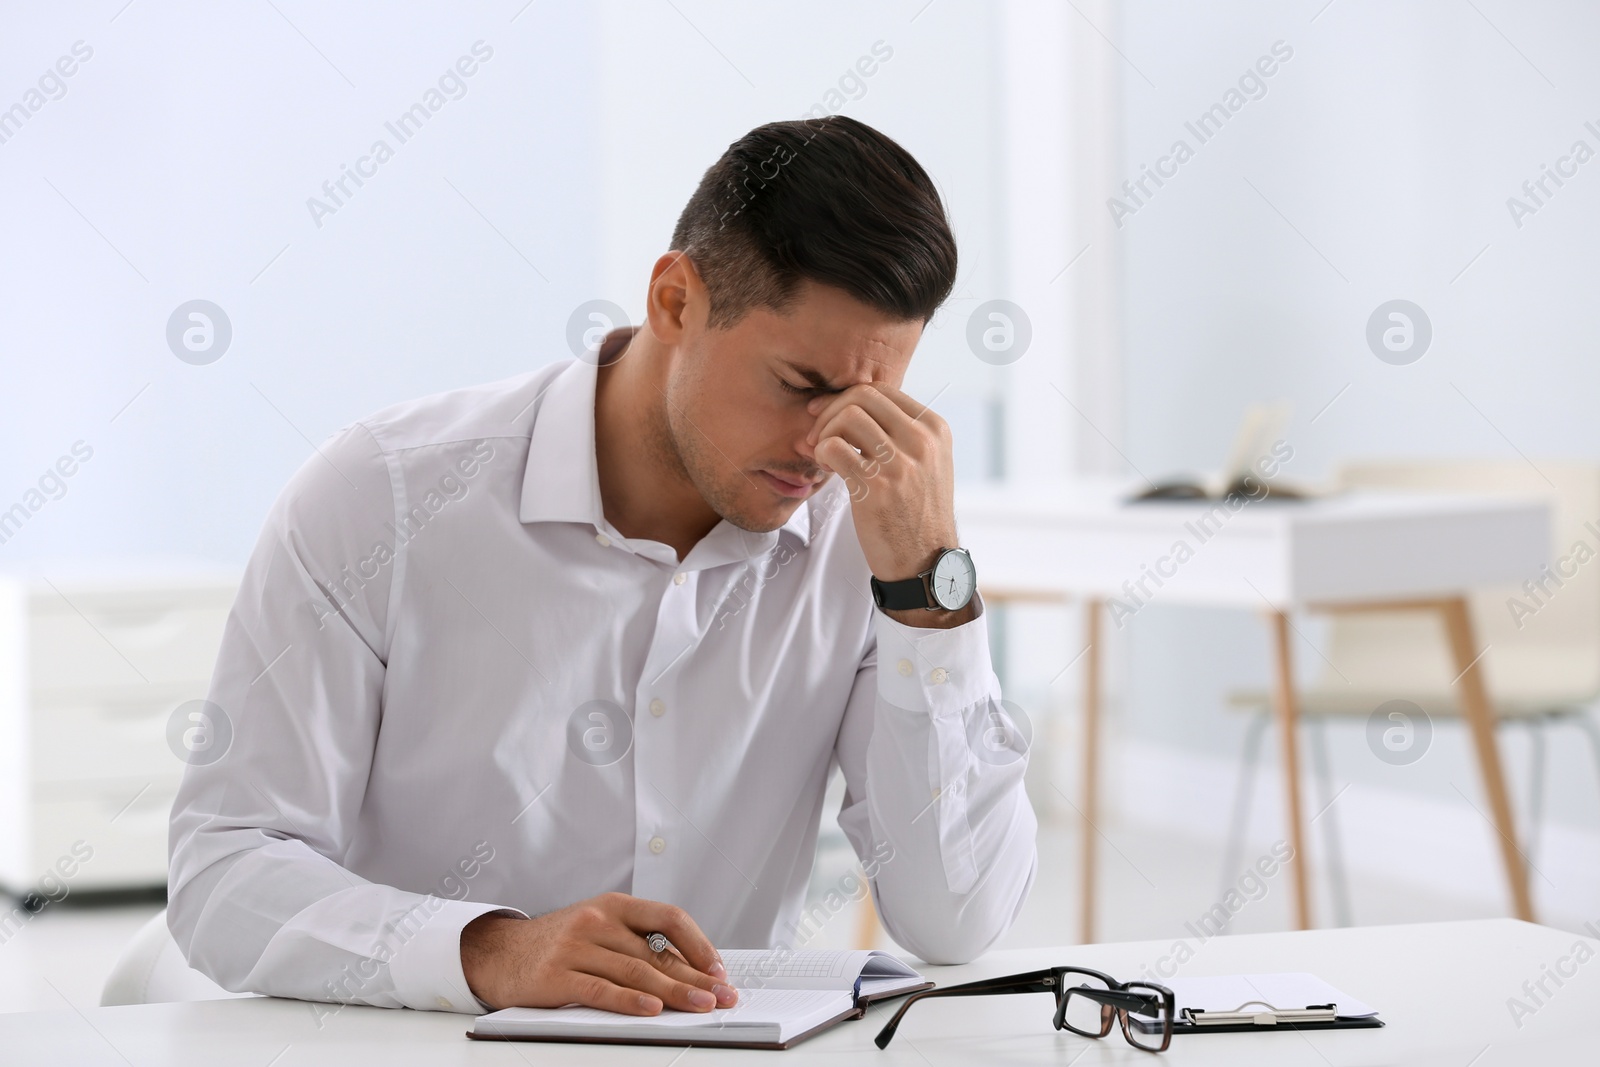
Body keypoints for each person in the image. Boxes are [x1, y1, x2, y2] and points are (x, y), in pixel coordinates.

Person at [168, 115, 1038, 1019]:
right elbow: (223, 872)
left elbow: (957, 919)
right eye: (802, 386)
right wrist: (492, 951)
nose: (827, 446)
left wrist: (931, 589)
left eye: (870, 400)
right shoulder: (382, 497)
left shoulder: (875, 539)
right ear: (674, 300)